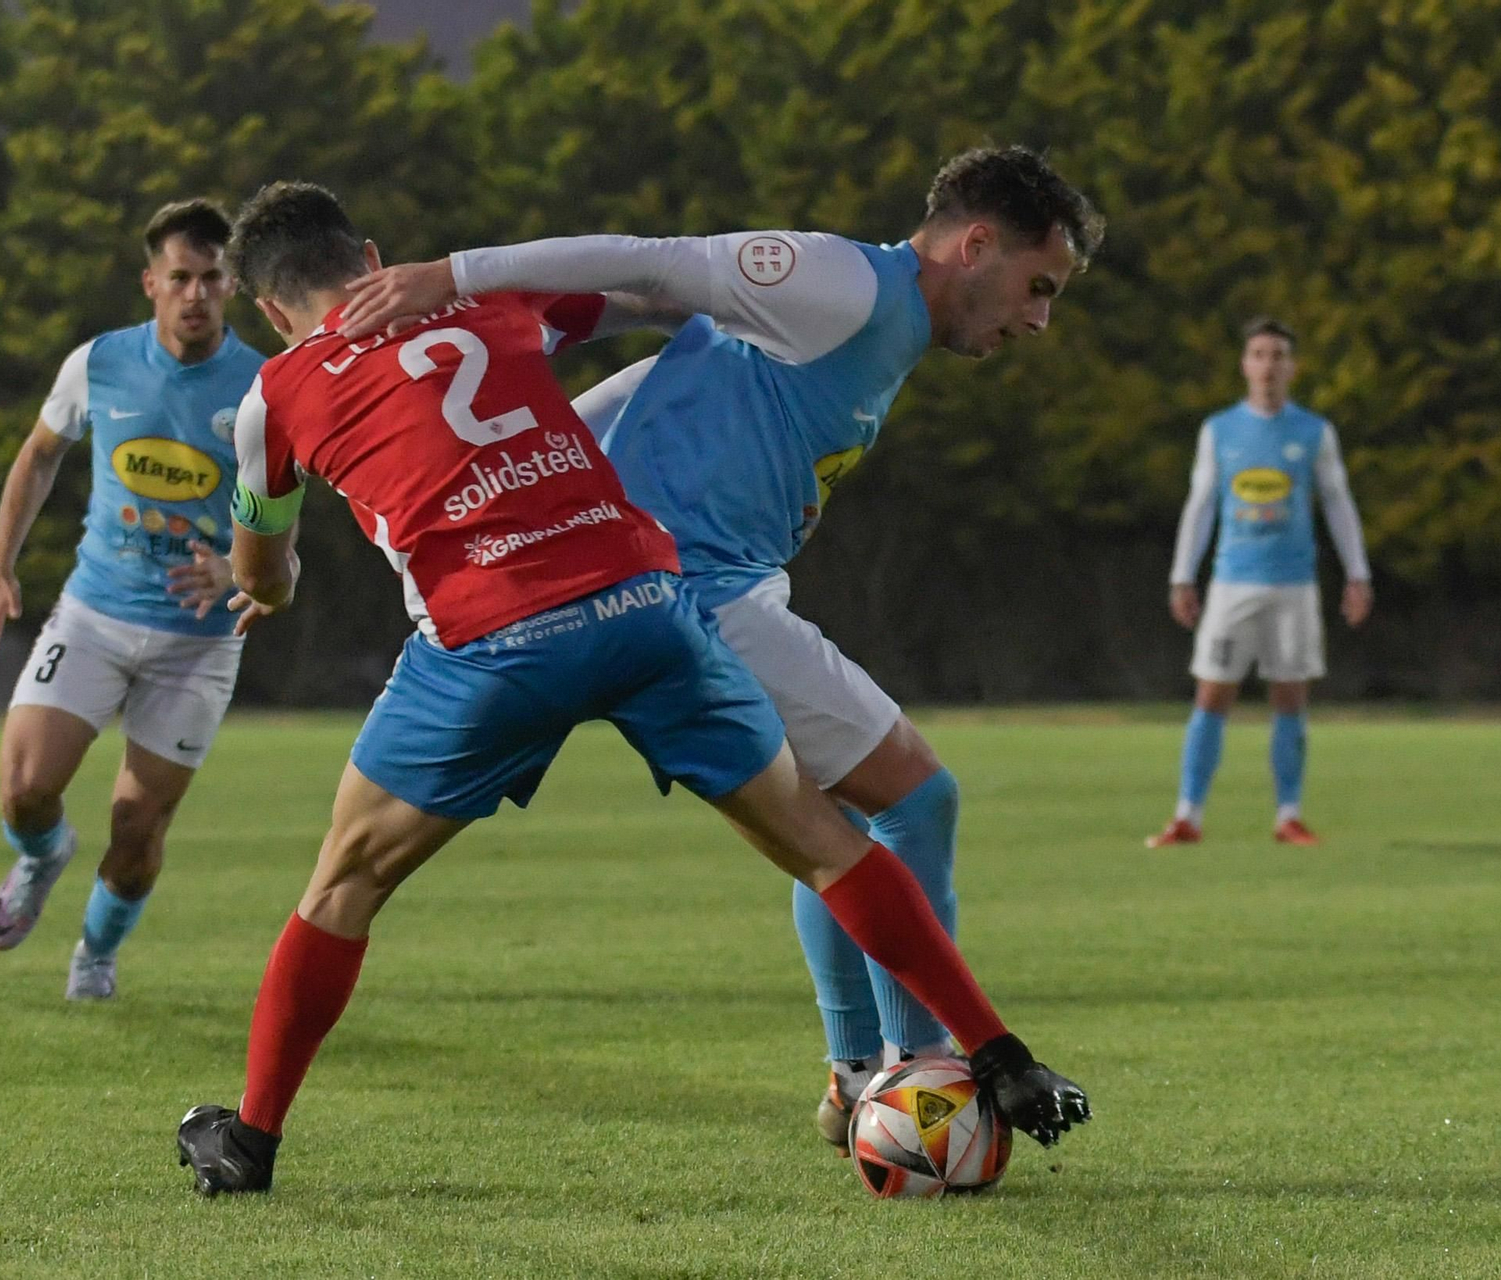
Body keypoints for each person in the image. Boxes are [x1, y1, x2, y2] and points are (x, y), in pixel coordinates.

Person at [174, 181, 1090, 1197]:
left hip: (494, 636)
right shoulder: (498, 304)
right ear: (374, 251)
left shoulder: (275, 389)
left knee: (344, 883)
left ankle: (248, 1140)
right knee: (829, 837)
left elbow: (262, 559)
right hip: (644, 600)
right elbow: (629, 293)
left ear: (265, 310)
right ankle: (992, 1052)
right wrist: (479, 292)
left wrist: (275, 578)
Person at [0, 199, 264, 999]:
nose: (196, 293)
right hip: (95, 614)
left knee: (138, 826)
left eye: (212, 278)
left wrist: (242, 573)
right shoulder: (97, 364)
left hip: (198, 642)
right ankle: (41, 856)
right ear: (151, 283)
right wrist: (0, 563)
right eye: (181, 277)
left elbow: (287, 512)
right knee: (25, 789)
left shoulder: (267, 389)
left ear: (232, 286)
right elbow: (38, 457)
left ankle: (94, 957)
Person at [1145, 318, 1372, 848]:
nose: (1268, 365)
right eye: (1259, 354)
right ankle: (1188, 816)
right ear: (1245, 364)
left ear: (1292, 367)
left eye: (1278, 355)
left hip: (1294, 585)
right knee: (1212, 694)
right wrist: (1183, 574)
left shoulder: (1314, 432)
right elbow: (1201, 505)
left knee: (1290, 696)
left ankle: (1288, 815)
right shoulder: (1220, 430)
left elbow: (1338, 504)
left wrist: (1357, 573)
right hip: (1232, 583)